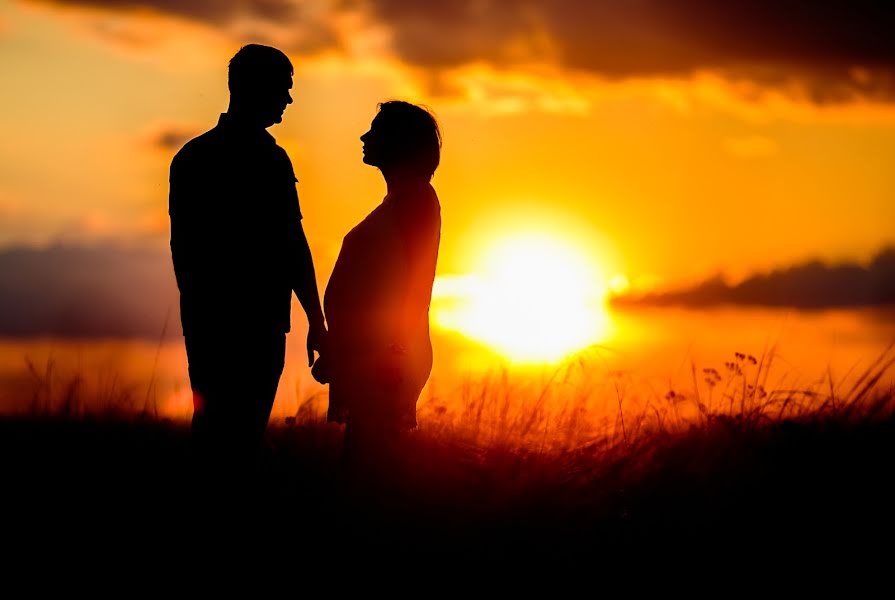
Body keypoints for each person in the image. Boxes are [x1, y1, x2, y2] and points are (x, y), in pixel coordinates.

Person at [169, 45, 326, 466]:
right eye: (284, 88)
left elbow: (183, 254)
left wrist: (314, 317)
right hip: (250, 326)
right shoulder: (268, 161)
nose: (289, 100)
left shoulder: (192, 158)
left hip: (213, 324)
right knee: (236, 440)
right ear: (254, 87)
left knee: (218, 437)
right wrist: (316, 318)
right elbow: (292, 244)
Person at [312, 101, 441, 473]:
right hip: (373, 354)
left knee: (371, 467)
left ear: (398, 141)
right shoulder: (396, 200)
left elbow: (419, 282)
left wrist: (395, 350)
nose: (364, 137)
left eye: (375, 131)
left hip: (389, 357)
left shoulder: (417, 197)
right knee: (364, 462)